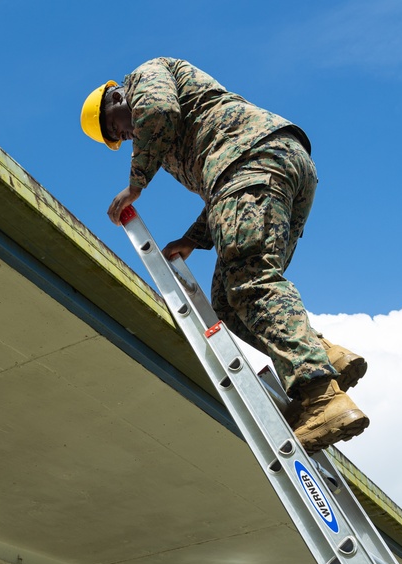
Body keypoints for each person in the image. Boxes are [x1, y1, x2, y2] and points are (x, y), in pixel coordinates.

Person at [80, 57, 369, 452]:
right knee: (229, 301)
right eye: (120, 137)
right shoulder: (176, 145)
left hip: (255, 162)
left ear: (115, 96)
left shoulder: (145, 77)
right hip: (271, 167)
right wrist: (192, 239)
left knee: (252, 285)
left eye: (116, 125)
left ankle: (322, 398)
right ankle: (324, 355)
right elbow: (226, 192)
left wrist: (136, 184)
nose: (127, 133)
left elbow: (159, 109)